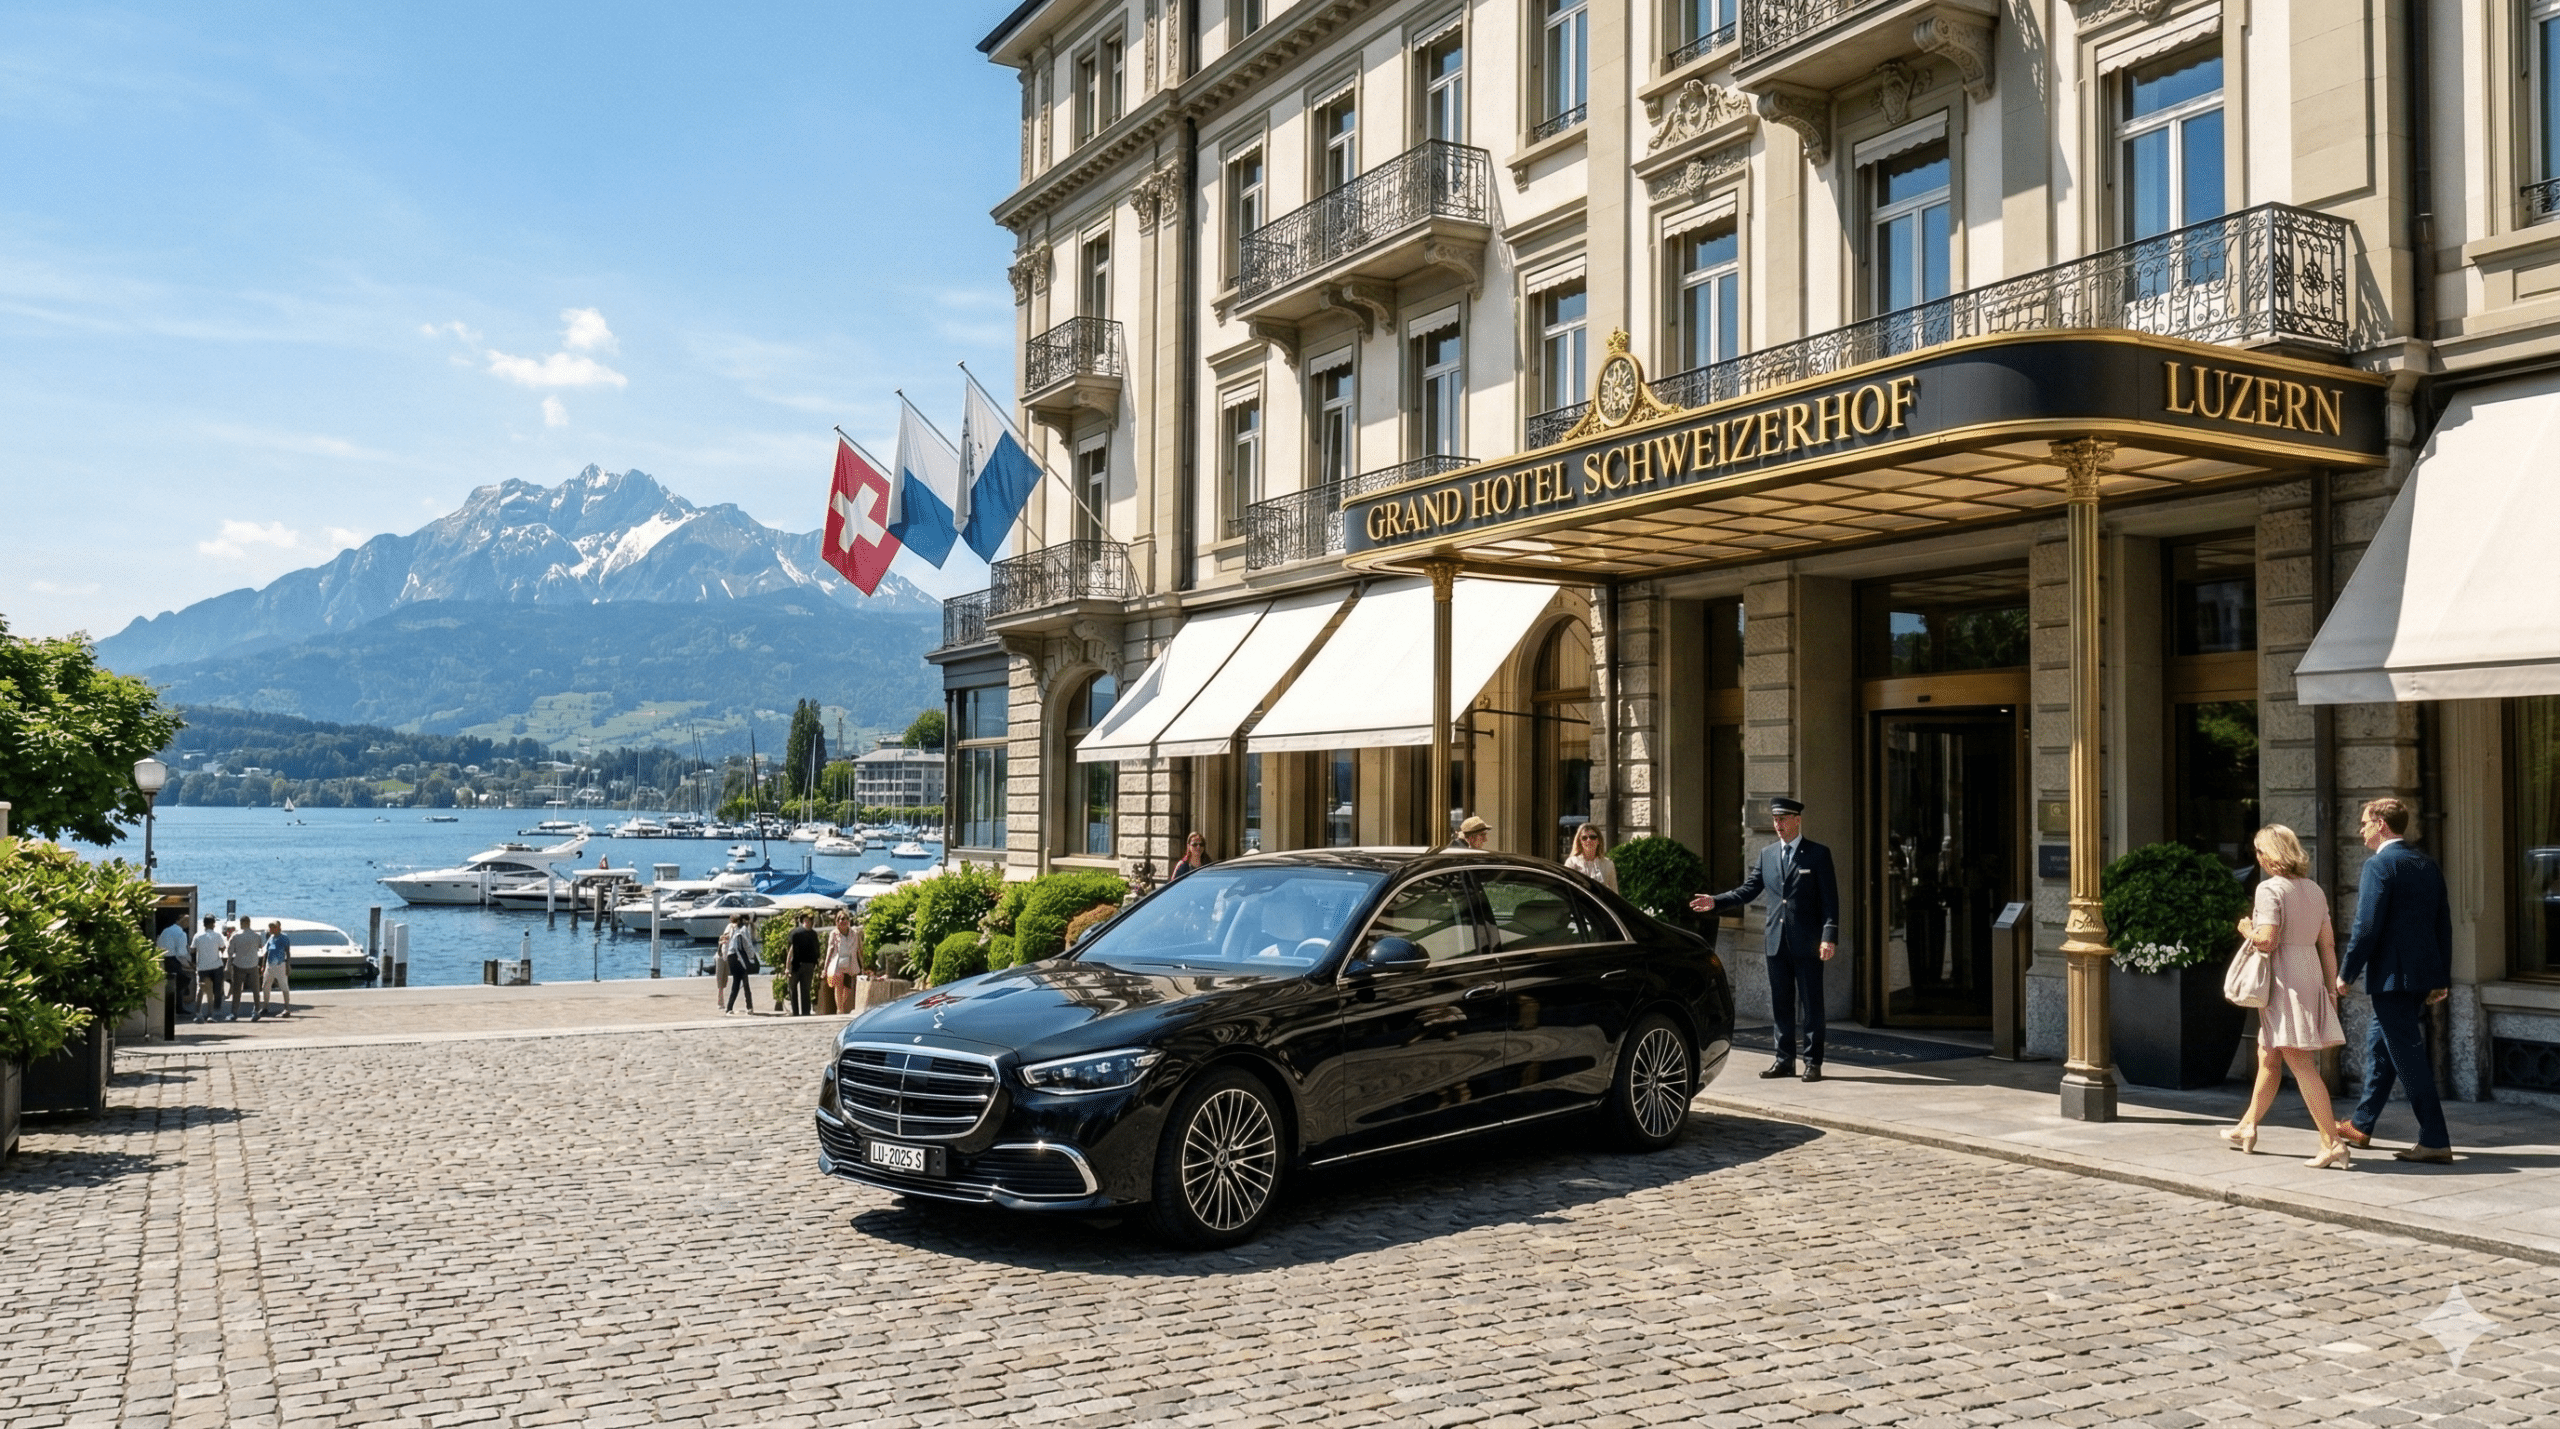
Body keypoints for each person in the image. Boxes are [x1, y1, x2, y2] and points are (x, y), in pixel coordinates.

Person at [2334, 797, 2457, 1164]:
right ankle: (2362, 1124)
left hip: (2392, 979)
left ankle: (2434, 1138)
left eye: (2364, 823)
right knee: (2380, 1045)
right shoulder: (2426, 864)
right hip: (2419, 977)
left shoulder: (2379, 865)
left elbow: (2366, 926)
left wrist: (2346, 972)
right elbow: (2443, 924)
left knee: (2408, 1057)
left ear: (2381, 825)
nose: (2360, 830)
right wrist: (2441, 977)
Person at [2221, 825, 2349, 1167]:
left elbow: (2267, 940)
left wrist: (2246, 929)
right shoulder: (2314, 890)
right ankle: (2248, 1125)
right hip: (2308, 974)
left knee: (2300, 1063)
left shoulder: (2269, 889)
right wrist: (2330, 991)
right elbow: (2328, 945)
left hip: (2284, 980)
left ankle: (2332, 1142)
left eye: (2260, 851)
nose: (2258, 857)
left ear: (2270, 854)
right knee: (2268, 1054)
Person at [1692, 796, 1839, 1083]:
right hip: (1776, 941)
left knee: (1812, 1005)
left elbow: (1830, 901)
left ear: (1797, 820)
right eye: (1775, 820)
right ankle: (1784, 1060)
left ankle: (1813, 1062)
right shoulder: (1767, 854)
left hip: (1808, 942)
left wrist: (1828, 936)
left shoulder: (1818, 854)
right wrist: (1716, 901)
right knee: (1781, 1004)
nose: (1778, 825)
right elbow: (1747, 890)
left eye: (1783, 819)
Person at [824, 910, 864, 1013]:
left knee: (848, 987)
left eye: (846, 919)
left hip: (851, 963)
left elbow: (859, 950)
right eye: (841, 919)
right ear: (837, 921)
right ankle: (839, 1009)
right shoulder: (834, 934)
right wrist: (825, 967)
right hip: (838, 963)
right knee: (839, 986)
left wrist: (862, 965)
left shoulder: (854, 933)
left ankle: (842, 1005)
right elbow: (829, 950)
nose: (844, 921)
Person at [227, 916, 265, 1021]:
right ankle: (256, 1012)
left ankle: (234, 1013)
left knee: (237, 991)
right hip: (253, 965)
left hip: (239, 965)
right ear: (249, 923)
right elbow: (260, 948)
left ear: (241, 923)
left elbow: (230, 952)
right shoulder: (256, 936)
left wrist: (228, 965)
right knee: (256, 990)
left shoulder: (235, 935)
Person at [190, 916, 227, 1023]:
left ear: (204, 924)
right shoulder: (217, 935)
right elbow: (223, 948)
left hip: (202, 967)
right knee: (214, 991)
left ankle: (198, 1013)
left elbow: (192, 950)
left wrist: (194, 963)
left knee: (201, 990)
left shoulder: (197, 936)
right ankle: (211, 1014)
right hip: (216, 966)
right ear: (213, 924)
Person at [786, 912, 823, 1017]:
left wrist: (817, 964)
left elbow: (816, 951)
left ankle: (805, 1012)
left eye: (810, 920)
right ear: (802, 921)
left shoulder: (813, 934)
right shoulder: (796, 933)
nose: (808, 922)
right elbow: (790, 951)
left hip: (808, 965)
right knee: (793, 989)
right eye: (806, 920)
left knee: (805, 990)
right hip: (796, 965)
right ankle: (796, 1012)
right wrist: (787, 967)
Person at [157, 918, 195, 1020]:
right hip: (173, 960)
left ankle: (174, 1007)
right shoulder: (181, 934)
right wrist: (189, 964)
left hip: (162, 959)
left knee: (171, 984)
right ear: (185, 922)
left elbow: (159, 944)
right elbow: (181, 953)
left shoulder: (166, 930)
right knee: (182, 983)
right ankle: (178, 1008)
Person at [1563, 823, 1618, 892]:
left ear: (1598, 840)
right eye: (1584, 838)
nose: (1588, 840)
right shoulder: (1572, 863)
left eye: (1593, 837)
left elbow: (1614, 891)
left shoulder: (1608, 864)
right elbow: (1566, 889)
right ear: (1580, 842)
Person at [722, 916, 758, 1014]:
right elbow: (747, 944)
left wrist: (725, 957)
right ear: (740, 920)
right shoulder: (743, 929)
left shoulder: (728, 928)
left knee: (736, 982)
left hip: (730, 957)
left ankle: (729, 1008)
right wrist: (752, 956)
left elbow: (724, 943)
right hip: (739, 956)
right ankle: (749, 1007)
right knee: (745, 982)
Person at [261, 920, 294, 1018]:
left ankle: (287, 1008)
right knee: (265, 986)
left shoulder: (284, 937)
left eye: (273, 927)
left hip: (280, 964)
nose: (270, 929)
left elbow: (287, 952)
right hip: (269, 965)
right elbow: (266, 952)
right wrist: (263, 966)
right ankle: (265, 1007)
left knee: (284, 986)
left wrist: (288, 965)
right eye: (270, 927)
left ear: (278, 928)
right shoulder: (270, 938)